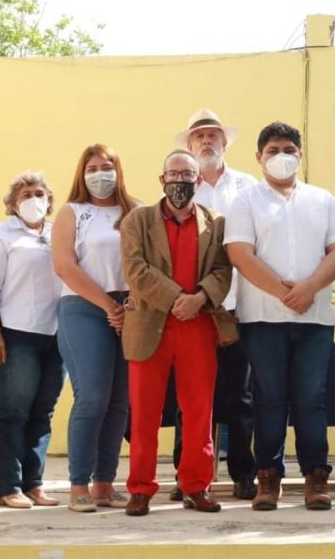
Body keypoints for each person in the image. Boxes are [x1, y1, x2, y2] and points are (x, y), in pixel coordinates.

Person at [225, 121, 335, 511]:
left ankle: (316, 478)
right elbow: (240, 254)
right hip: (262, 318)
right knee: (269, 399)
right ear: (259, 158)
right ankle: (269, 478)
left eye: (288, 150)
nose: (281, 157)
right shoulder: (245, 200)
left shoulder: (323, 199)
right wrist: (285, 292)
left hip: (314, 318)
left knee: (311, 400)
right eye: (272, 151)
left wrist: (308, 289)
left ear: (300, 155)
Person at [120, 150, 237, 516]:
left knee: (200, 413)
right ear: (162, 180)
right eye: (173, 174)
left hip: (198, 327)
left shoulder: (216, 222)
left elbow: (223, 270)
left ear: (198, 181)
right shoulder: (137, 220)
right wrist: (176, 300)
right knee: (145, 415)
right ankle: (140, 488)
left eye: (187, 174)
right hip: (150, 326)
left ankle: (196, 486)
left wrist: (199, 298)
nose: (180, 181)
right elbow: (135, 269)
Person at [170, 108, 258, 502]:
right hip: (195, 309)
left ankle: (242, 473)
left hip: (242, 305)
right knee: (189, 398)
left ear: (225, 143)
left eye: (213, 136)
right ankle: (185, 475)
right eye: (199, 137)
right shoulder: (179, 190)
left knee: (240, 396)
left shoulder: (249, 187)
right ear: (189, 146)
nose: (206, 142)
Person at [52, 144, 138, 512]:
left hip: (130, 309)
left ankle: (106, 483)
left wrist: (127, 306)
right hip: (83, 308)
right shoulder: (72, 212)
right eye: (92, 168)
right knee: (92, 397)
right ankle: (78, 486)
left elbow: (148, 262)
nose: (100, 173)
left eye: (107, 166)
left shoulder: (136, 211)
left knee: (120, 401)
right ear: (81, 174)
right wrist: (108, 306)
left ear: (118, 171)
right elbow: (64, 266)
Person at [0, 172, 64, 508]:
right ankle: (9, 486)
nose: (34, 199)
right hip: (15, 335)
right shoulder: (0, 235)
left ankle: (34, 483)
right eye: (26, 194)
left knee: (43, 411)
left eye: (39, 193)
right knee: (14, 411)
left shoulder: (60, 233)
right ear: (13, 204)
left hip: (56, 335)